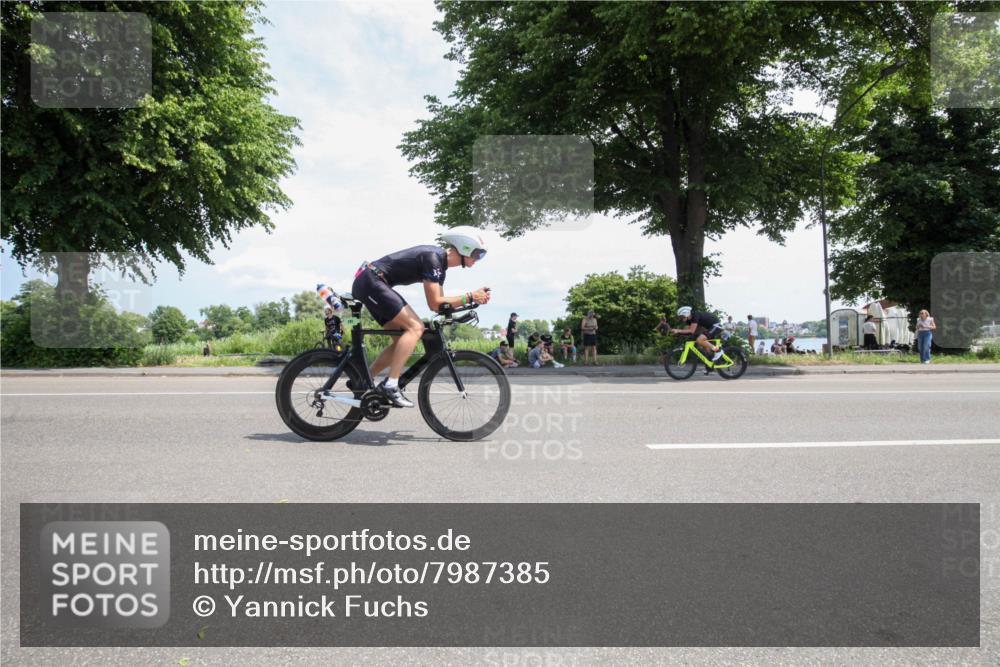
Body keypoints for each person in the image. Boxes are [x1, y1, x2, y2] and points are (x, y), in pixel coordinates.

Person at [351, 226, 490, 408]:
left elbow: (440, 305)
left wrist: (468, 304)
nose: (478, 260)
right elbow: (434, 303)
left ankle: (363, 380)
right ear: (465, 248)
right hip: (372, 281)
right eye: (478, 254)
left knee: (402, 339)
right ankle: (391, 385)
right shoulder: (434, 259)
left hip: (372, 282)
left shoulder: (440, 267)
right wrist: (470, 296)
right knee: (416, 327)